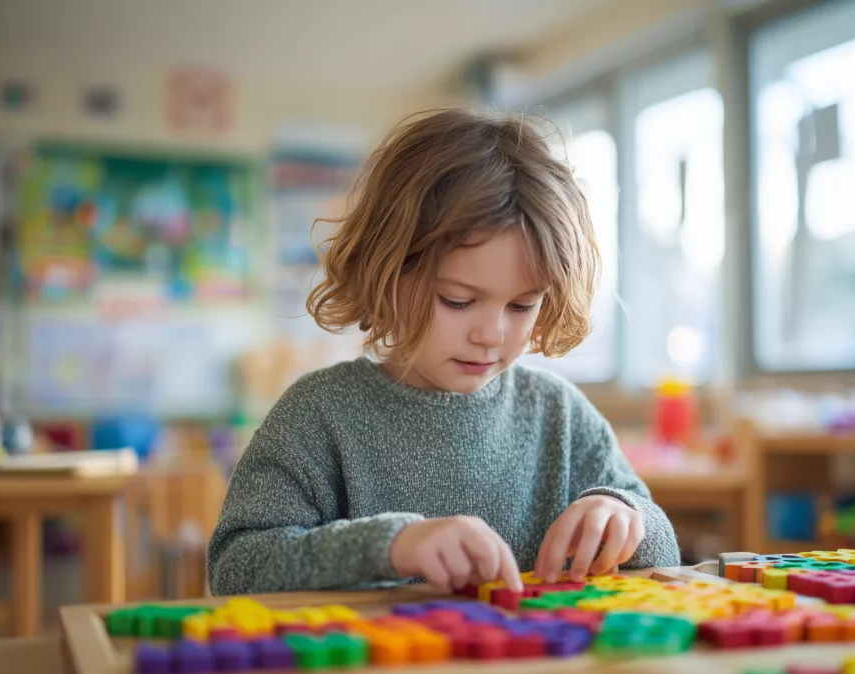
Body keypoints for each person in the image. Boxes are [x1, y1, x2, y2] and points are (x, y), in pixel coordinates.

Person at [208, 108, 679, 596]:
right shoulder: (319, 415)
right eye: (457, 300)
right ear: (387, 271)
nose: (491, 334)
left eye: (522, 305)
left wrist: (626, 516)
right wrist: (391, 546)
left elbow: (664, 553)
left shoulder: (559, 415)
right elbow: (234, 568)